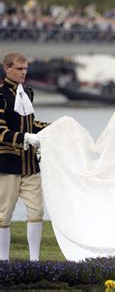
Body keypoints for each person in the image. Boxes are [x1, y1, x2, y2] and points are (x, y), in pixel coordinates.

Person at [0, 52, 49, 261]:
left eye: (26, 69)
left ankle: (35, 261)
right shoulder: (1, 96)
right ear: (6, 69)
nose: (23, 73)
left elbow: (31, 124)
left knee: (37, 212)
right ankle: (2, 260)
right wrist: (25, 138)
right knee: (3, 215)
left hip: (30, 164)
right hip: (8, 163)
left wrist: (52, 129)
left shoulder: (27, 93)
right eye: (19, 69)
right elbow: (1, 132)